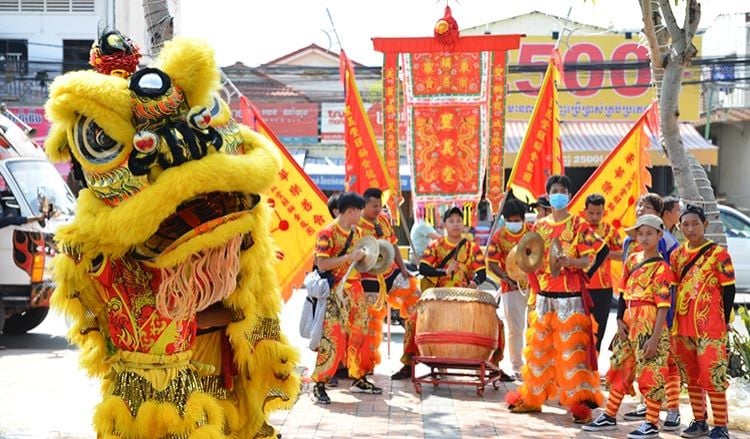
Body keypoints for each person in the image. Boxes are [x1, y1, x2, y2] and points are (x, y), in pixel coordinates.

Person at [506, 175, 608, 424]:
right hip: (543, 296)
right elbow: (528, 257)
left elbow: (594, 256)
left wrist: (572, 262)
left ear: (569, 196)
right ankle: (533, 398)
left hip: (569, 297)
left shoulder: (580, 226)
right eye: (554, 190)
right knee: (539, 351)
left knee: (571, 352)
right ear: (548, 195)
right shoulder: (539, 227)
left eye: (563, 190)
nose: (558, 194)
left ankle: (578, 404)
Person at [583, 214, 673, 439]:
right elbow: (622, 293)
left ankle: (651, 423)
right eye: (640, 233)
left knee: (651, 371)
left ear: (659, 235)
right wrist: (619, 320)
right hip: (628, 321)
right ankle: (610, 415)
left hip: (650, 321)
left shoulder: (662, 268)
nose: (644, 238)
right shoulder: (632, 259)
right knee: (619, 366)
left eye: (649, 233)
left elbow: (663, 306)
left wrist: (655, 337)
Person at [670, 204, 735, 439]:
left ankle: (721, 426)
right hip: (683, 327)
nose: (690, 228)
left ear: (705, 224)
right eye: (685, 224)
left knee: (713, 375)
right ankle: (699, 421)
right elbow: (672, 290)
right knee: (692, 376)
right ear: (679, 227)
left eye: (695, 223)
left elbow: (729, 290)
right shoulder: (676, 256)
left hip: (711, 327)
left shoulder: (720, 255)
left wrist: (725, 319)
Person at [311, 192, 382, 404]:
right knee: (333, 337)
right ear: (350, 211)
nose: (361, 215)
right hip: (336, 293)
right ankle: (319, 383)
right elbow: (322, 264)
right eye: (360, 211)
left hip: (356, 291)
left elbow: (361, 262)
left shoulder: (358, 232)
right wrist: (349, 257)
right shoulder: (327, 233)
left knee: (360, 334)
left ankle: (358, 378)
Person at [621, 193, 682, 429]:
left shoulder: (667, 242)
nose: (639, 209)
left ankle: (674, 409)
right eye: (637, 205)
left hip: (665, 310)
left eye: (645, 207)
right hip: (637, 317)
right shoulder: (631, 243)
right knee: (644, 361)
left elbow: (673, 279)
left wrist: (670, 315)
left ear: (657, 214)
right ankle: (647, 406)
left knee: (668, 361)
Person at [357, 188, 418, 381]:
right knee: (371, 322)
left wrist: (403, 269)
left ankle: (410, 360)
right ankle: (365, 366)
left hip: (391, 272)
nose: (378, 209)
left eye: (380, 206)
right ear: (364, 205)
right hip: (368, 278)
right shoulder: (357, 225)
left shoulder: (383, 220)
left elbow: (393, 246)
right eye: (374, 206)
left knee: (416, 301)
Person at [486, 197, 529, 379]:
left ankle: (536, 364)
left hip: (534, 285)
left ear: (523, 219)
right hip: (510, 287)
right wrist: (506, 277)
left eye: (517, 220)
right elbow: (492, 262)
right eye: (510, 221)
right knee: (515, 327)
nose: (513, 223)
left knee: (536, 326)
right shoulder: (499, 236)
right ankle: (517, 365)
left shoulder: (532, 233)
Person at [582, 193, 623, 354]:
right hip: (582, 285)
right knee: (581, 327)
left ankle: (595, 366)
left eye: (598, 213)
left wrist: (604, 254)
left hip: (604, 287)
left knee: (600, 327)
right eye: (591, 213)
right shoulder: (579, 230)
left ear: (604, 212)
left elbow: (622, 254)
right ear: (585, 211)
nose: (595, 217)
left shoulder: (610, 231)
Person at [419, 206, 486, 289]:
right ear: (444, 225)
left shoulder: (472, 247)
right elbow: (423, 268)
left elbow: (482, 273)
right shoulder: (435, 245)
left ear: (463, 224)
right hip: (440, 295)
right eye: (451, 221)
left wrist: (476, 282)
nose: (455, 224)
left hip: (464, 295)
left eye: (459, 221)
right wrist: (445, 272)